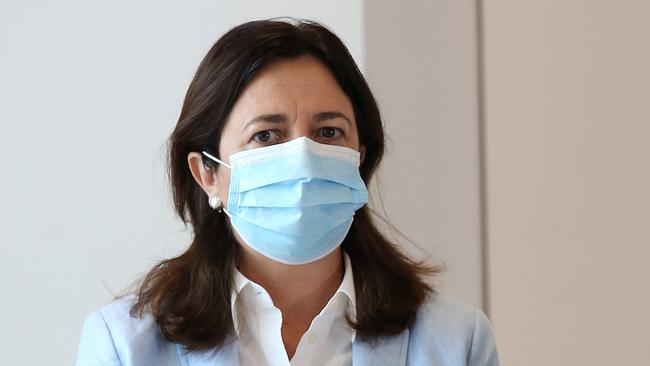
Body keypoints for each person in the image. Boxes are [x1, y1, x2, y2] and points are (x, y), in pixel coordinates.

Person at [75, 18, 499, 366]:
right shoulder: (124, 346)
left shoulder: (456, 341)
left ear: (360, 161)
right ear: (208, 173)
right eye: (266, 136)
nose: (302, 158)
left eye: (329, 132)